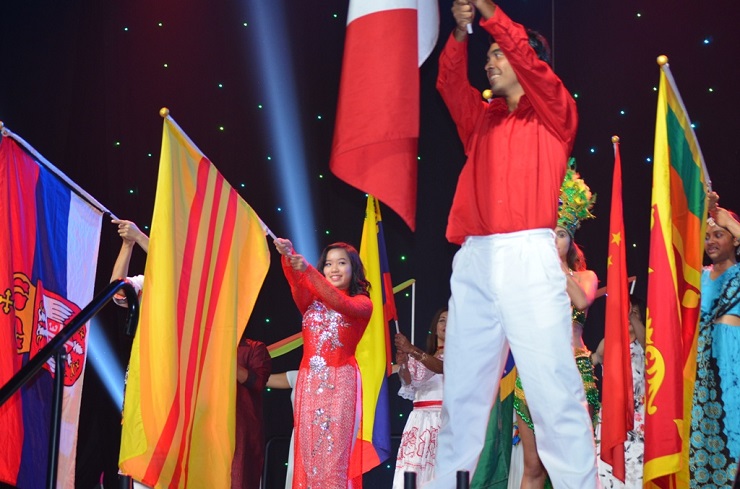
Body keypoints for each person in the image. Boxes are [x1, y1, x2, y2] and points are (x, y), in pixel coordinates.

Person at [430, 0, 598, 487]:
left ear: (526, 60)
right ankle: (447, 482)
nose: (491, 61)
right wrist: (461, 34)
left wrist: (489, 11)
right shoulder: (482, 120)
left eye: (499, 54)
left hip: (528, 255)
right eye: (489, 55)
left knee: (552, 388)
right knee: (462, 389)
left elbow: (531, 64)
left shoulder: (554, 115)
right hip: (476, 258)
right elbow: (447, 83)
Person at [512, 164, 599, 488]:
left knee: (574, 466)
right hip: (534, 373)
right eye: (549, 235)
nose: (554, 240)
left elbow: (581, 302)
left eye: (560, 234)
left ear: (570, 240)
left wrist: (557, 268)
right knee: (534, 469)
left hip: (574, 371)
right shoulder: (530, 280)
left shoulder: (585, 277)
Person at [273, 238, 373, 489]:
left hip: (341, 384)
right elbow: (298, 287)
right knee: (308, 457)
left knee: (333, 460)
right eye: (328, 264)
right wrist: (289, 255)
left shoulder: (362, 304)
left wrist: (307, 269)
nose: (334, 269)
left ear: (354, 269)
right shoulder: (311, 303)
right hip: (309, 385)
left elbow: (340, 302)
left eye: (341, 263)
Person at [687, 193, 740, 487]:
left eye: (719, 234)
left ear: (734, 239)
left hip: (733, 362)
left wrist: (726, 218)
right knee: (702, 443)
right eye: (707, 237)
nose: (711, 241)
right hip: (702, 366)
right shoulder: (698, 276)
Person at [592, 296, 647, 488]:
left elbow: (648, 343)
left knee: (637, 475)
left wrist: (631, 317)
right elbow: (595, 357)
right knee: (609, 474)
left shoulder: (645, 345)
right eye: (629, 312)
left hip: (639, 421)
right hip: (613, 419)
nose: (631, 315)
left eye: (636, 312)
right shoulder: (611, 344)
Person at [392, 308, 447, 488]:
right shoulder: (424, 357)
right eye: (442, 320)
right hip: (419, 422)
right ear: (435, 326)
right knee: (412, 473)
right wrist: (404, 364)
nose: (446, 324)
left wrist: (412, 350)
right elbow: (410, 383)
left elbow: (440, 368)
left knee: (439, 472)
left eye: (451, 320)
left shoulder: (460, 355)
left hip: (443, 420)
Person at [232, 337, 272, 489]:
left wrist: (227, 362)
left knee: (240, 478)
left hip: (241, 429)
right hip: (209, 425)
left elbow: (258, 382)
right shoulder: (207, 346)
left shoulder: (255, 348)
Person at [266, 371, 300, 489]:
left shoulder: (345, 376)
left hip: (331, 445)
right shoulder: (301, 375)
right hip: (301, 443)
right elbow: (262, 379)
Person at [110, 218, 148, 305]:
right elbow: (118, 288)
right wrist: (128, 244)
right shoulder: (147, 283)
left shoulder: (181, 280)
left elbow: (171, 265)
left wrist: (139, 236)